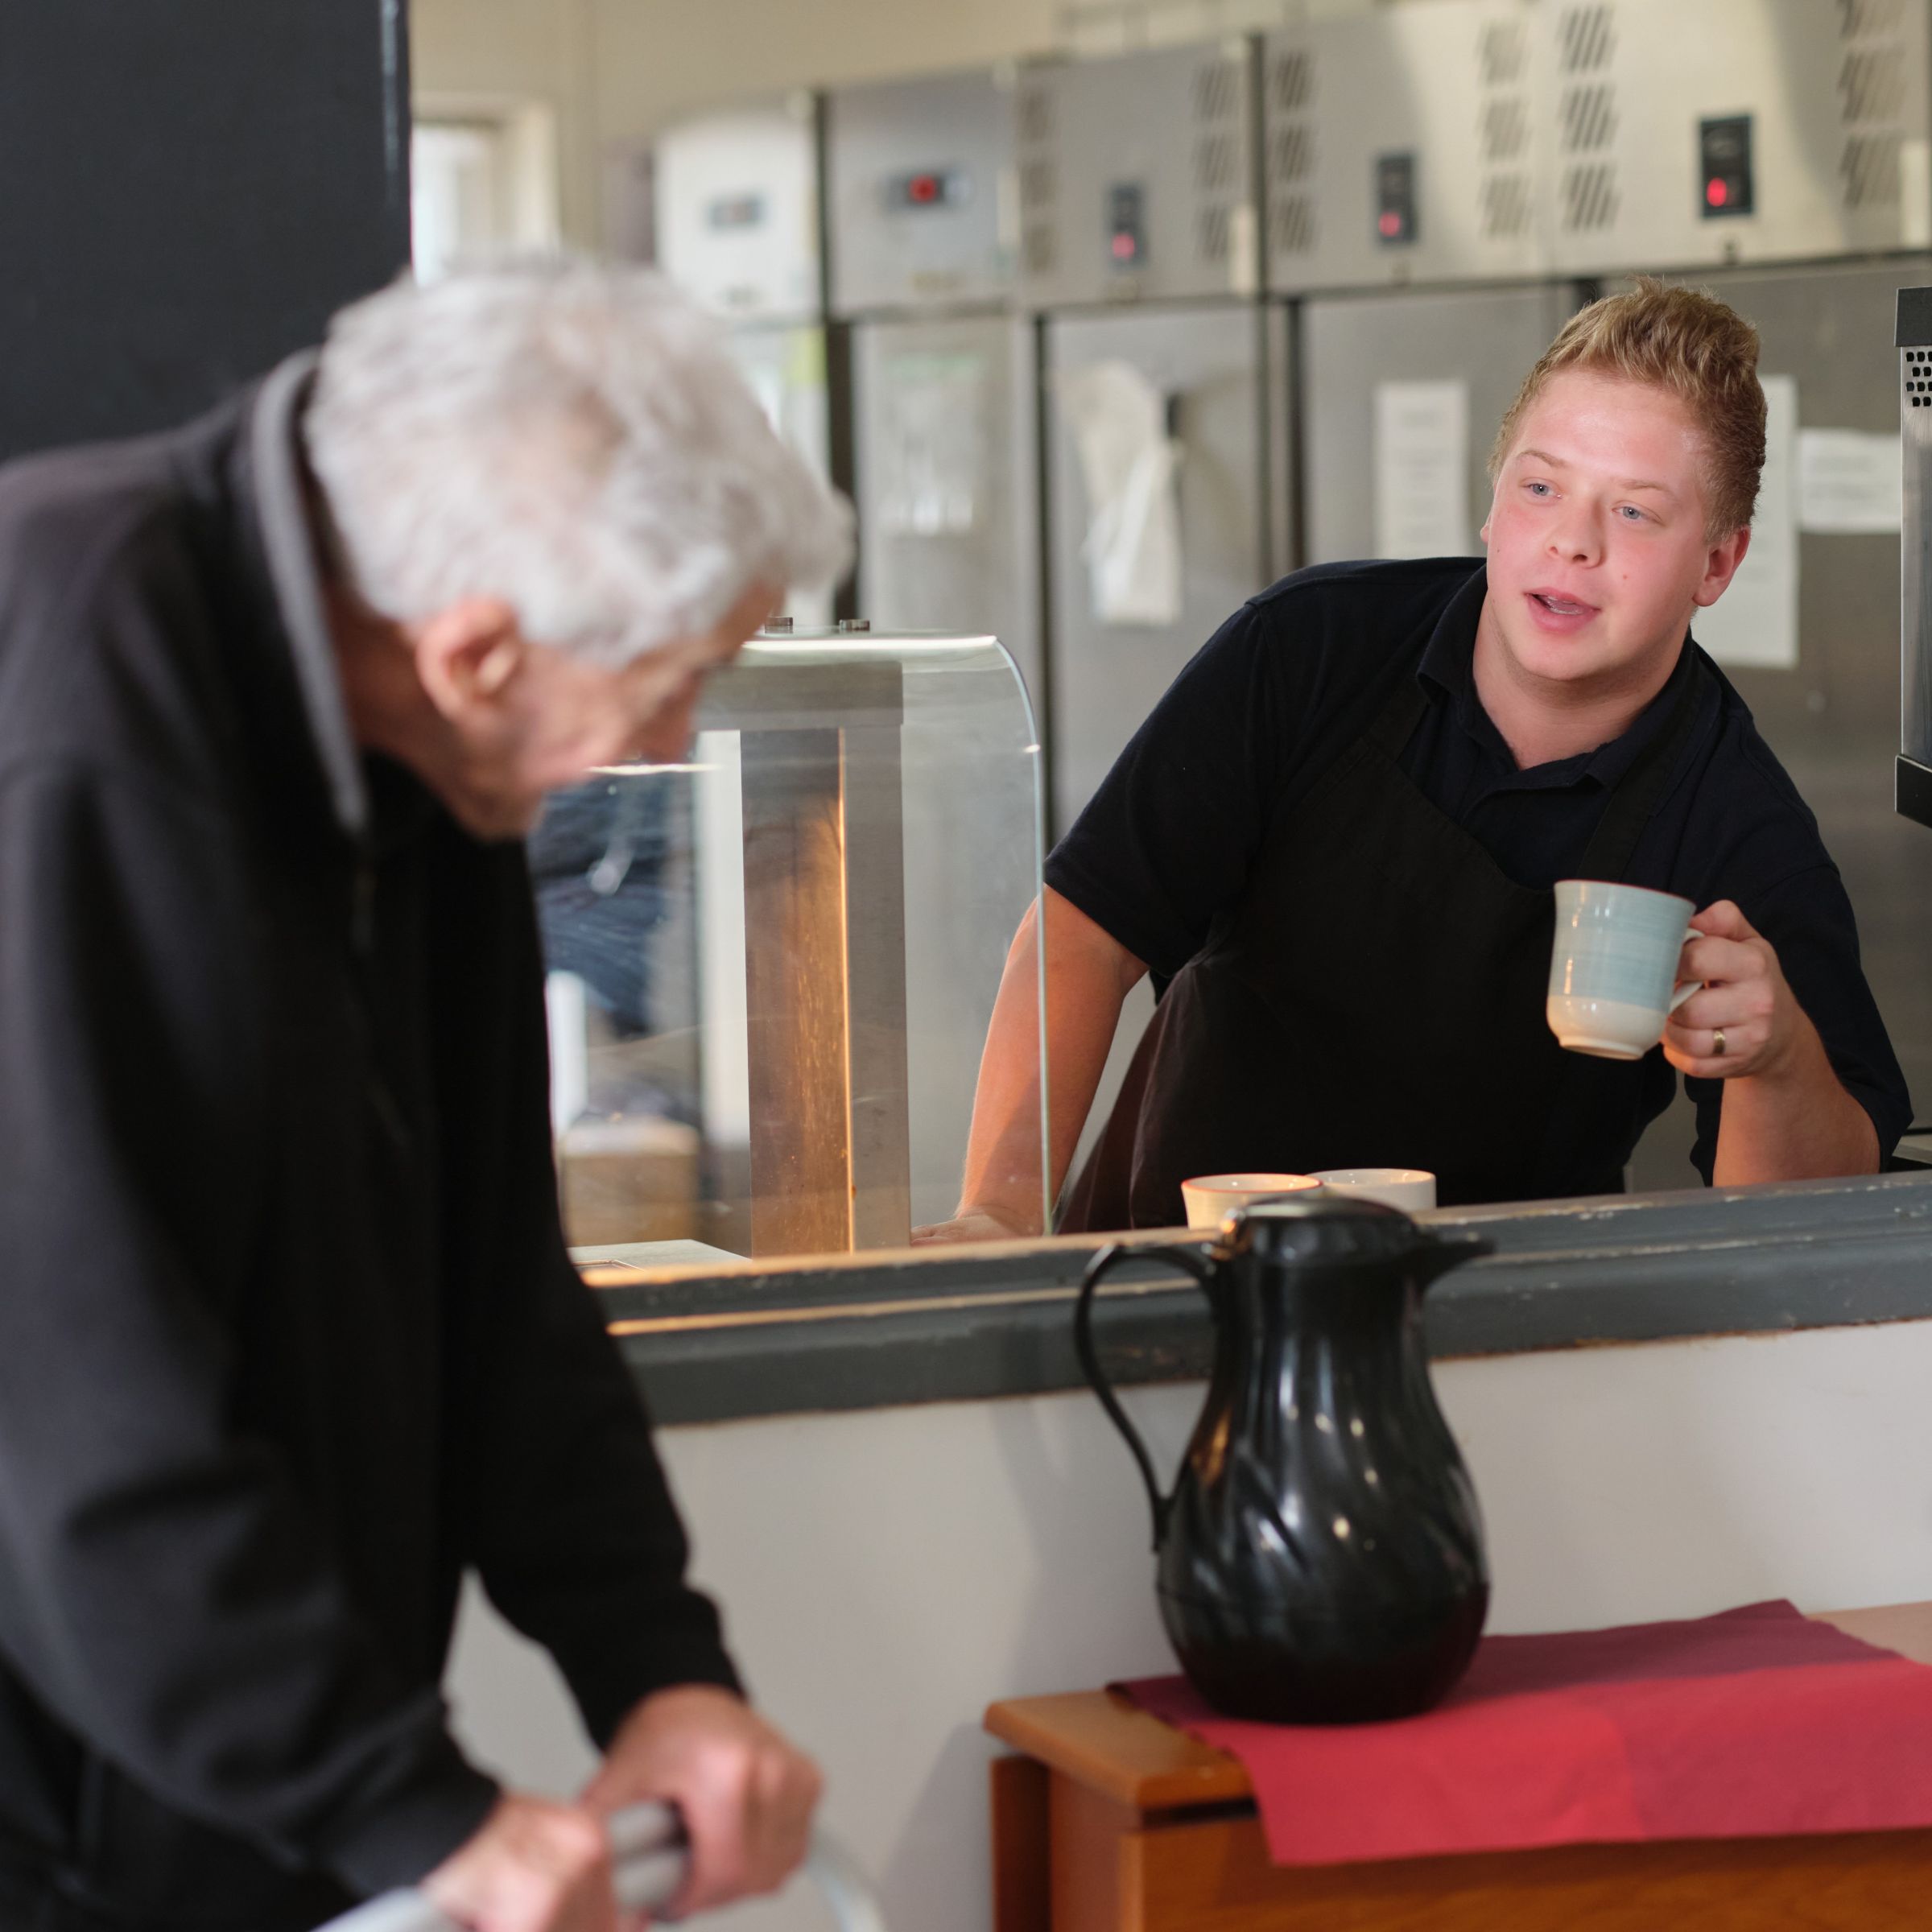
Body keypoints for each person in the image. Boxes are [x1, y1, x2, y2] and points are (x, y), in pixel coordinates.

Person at [0, 262, 852, 1930]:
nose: (671, 745)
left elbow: (500, 1287)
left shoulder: (426, 738)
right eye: (670, 685)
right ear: (477, 654)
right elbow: (70, 1402)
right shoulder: (74, 711)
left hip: (230, 1792)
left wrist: (657, 1670)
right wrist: (404, 1806)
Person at [929, 280, 1909, 1236]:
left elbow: (1819, 1223)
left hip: (1507, 1310)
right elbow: (1084, 932)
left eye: (1635, 513)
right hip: (1186, 1267)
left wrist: (1777, 1060)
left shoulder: (1739, 822)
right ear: (1493, 505)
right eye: (1540, 488)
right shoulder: (1308, 651)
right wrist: (999, 1211)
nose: (1572, 542)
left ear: (1718, 564)